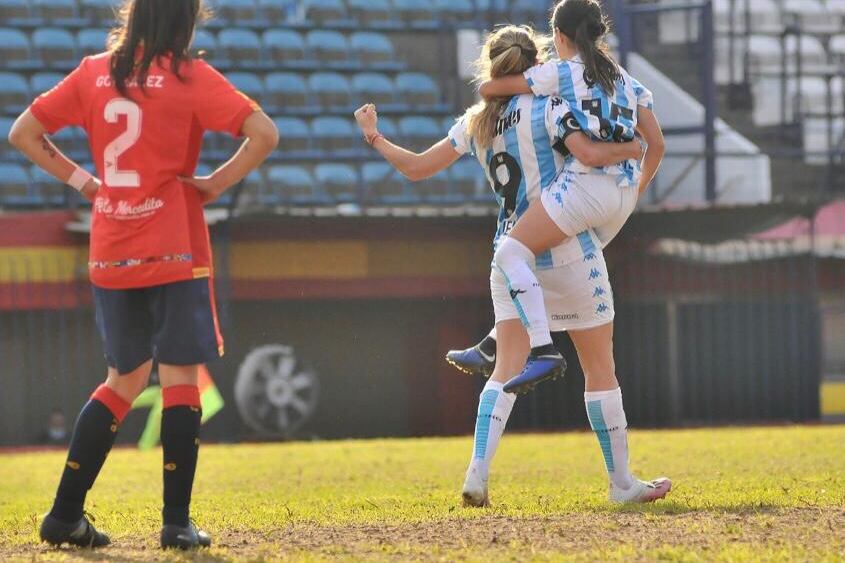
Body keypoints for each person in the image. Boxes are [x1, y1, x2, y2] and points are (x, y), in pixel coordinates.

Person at [8, 0, 278, 550]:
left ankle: (64, 515)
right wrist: (216, 183)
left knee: (123, 380)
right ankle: (176, 523)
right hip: (172, 247)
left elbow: (22, 133)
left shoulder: (91, 74)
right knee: (180, 378)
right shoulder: (190, 77)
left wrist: (85, 183)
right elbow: (264, 133)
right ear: (183, 21)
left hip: (110, 248)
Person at [354, 25, 648, 507]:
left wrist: (374, 137)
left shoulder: (476, 123)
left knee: (502, 371)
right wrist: (631, 147)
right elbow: (588, 154)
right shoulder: (551, 105)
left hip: (510, 256)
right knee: (600, 369)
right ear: (535, 67)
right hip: (567, 249)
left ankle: (477, 475)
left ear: (492, 70)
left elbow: (416, 168)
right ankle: (622, 485)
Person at [477, 0, 666, 395]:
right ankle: (495, 337)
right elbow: (657, 145)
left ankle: (542, 349)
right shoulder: (629, 81)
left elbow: (489, 88)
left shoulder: (559, 73)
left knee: (512, 255)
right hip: (624, 197)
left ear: (559, 36)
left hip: (585, 188)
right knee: (562, 259)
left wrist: (527, 77)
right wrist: (634, 190)